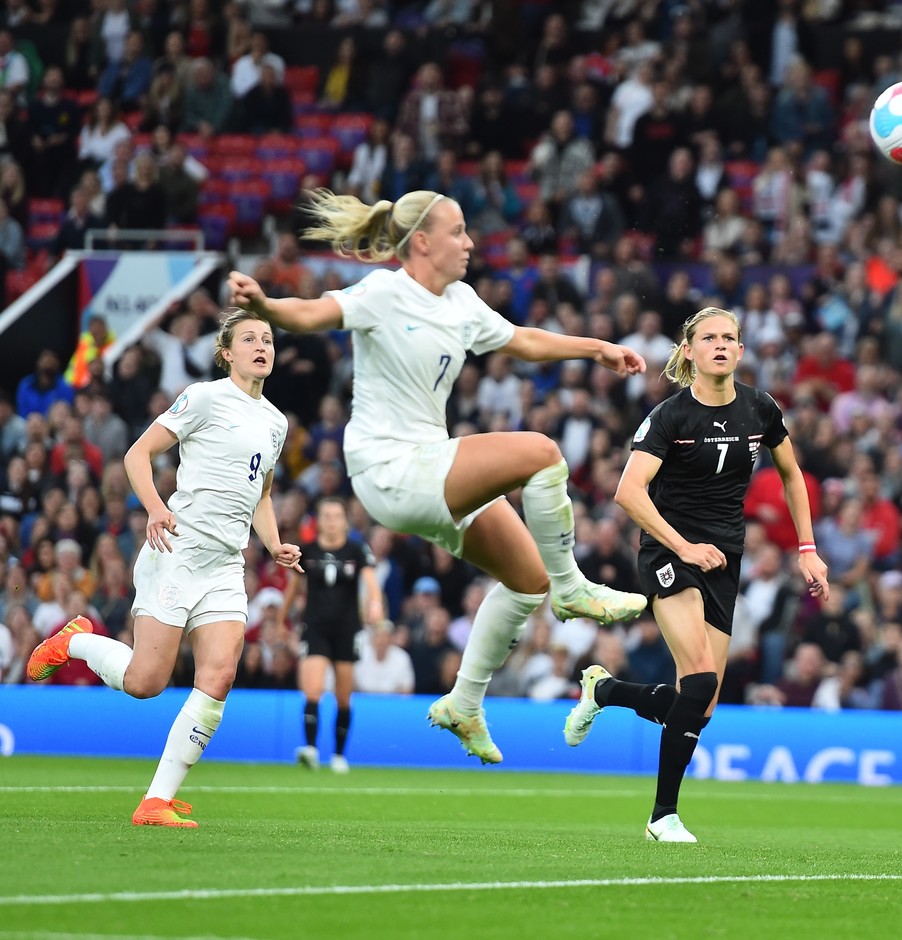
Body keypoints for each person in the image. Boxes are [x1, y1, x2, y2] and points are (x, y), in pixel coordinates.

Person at [226, 187, 648, 767]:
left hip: (430, 465)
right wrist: (266, 306)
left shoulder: (461, 301)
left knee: (527, 580)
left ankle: (465, 703)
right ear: (422, 242)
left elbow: (522, 340)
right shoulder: (384, 292)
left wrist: (593, 347)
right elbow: (315, 312)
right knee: (543, 452)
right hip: (388, 467)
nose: (470, 243)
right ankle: (573, 587)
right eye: (459, 232)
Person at [561, 307, 831, 842]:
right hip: (668, 552)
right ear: (688, 351)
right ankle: (663, 817)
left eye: (730, 337)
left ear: (742, 351)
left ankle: (605, 692)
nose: (721, 345)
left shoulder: (761, 408)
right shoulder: (669, 417)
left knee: (699, 707)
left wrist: (807, 548)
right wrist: (684, 545)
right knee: (701, 678)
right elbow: (627, 492)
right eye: (709, 337)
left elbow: (793, 475)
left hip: (723, 560)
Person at [25, 310, 301, 828]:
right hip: (177, 551)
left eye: (267, 338)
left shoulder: (276, 422)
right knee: (146, 682)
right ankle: (75, 641)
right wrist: (155, 506)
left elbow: (260, 492)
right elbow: (137, 454)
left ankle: (155, 801)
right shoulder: (204, 398)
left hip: (224, 564)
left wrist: (275, 542)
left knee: (219, 674)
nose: (261, 346)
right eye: (250, 339)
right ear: (227, 353)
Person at [281, 495, 384, 773]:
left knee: (343, 696)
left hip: (347, 629)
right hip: (315, 627)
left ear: (345, 520)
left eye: (337, 516)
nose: (331, 521)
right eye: (326, 516)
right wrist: (282, 618)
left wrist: (375, 604)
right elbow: (293, 588)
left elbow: (371, 582)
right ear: (319, 520)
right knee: (312, 689)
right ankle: (312, 750)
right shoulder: (308, 551)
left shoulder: (357, 550)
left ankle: (339, 755)